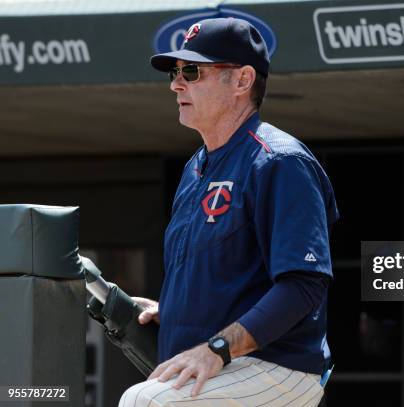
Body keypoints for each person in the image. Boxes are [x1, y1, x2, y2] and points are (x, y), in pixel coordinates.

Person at [118, 17, 339, 407]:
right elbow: (229, 277)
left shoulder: (279, 161)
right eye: (174, 71)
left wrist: (216, 347)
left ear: (242, 80)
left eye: (192, 70)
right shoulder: (195, 167)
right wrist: (170, 311)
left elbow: (304, 286)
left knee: (145, 402)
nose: (176, 83)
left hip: (277, 366)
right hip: (221, 368)